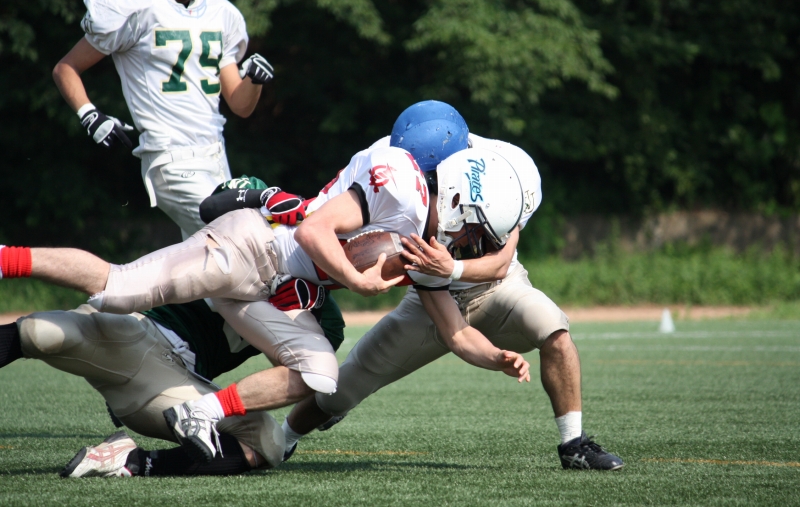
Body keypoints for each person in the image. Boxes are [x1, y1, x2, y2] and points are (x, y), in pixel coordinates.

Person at [0, 142, 531, 464]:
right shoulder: (402, 185)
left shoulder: (429, 248)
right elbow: (314, 232)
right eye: (475, 231)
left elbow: (456, 332)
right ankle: (8, 258)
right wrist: (359, 281)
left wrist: (497, 358)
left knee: (320, 372)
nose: (470, 243)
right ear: (458, 199)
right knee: (118, 290)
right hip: (254, 247)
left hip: (265, 291)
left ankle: (201, 412)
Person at [281, 100, 624, 471]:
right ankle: (279, 439)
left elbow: (500, 263)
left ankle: (574, 443)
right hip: (430, 292)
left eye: (427, 174)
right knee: (342, 388)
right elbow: (450, 324)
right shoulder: (397, 164)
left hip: (494, 285)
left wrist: (453, 266)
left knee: (554, 328)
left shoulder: (510, 171)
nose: (421, 180)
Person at [0, 296, 344, 477]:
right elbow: (215, 205)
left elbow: (304, 376)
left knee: (268, 443)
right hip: (135, 328)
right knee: (37, 333)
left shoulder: (326, 316)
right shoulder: (266, 219)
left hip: (166, 383)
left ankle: (132, 461)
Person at [52, 0, 274, 237]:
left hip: (216, 156)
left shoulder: (222, 13)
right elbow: (66, 67)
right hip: (171, 158)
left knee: (211, 258)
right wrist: (89, 113)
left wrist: (254, 80)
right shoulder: (138, 6)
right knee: (242, 239)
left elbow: (240, 105)